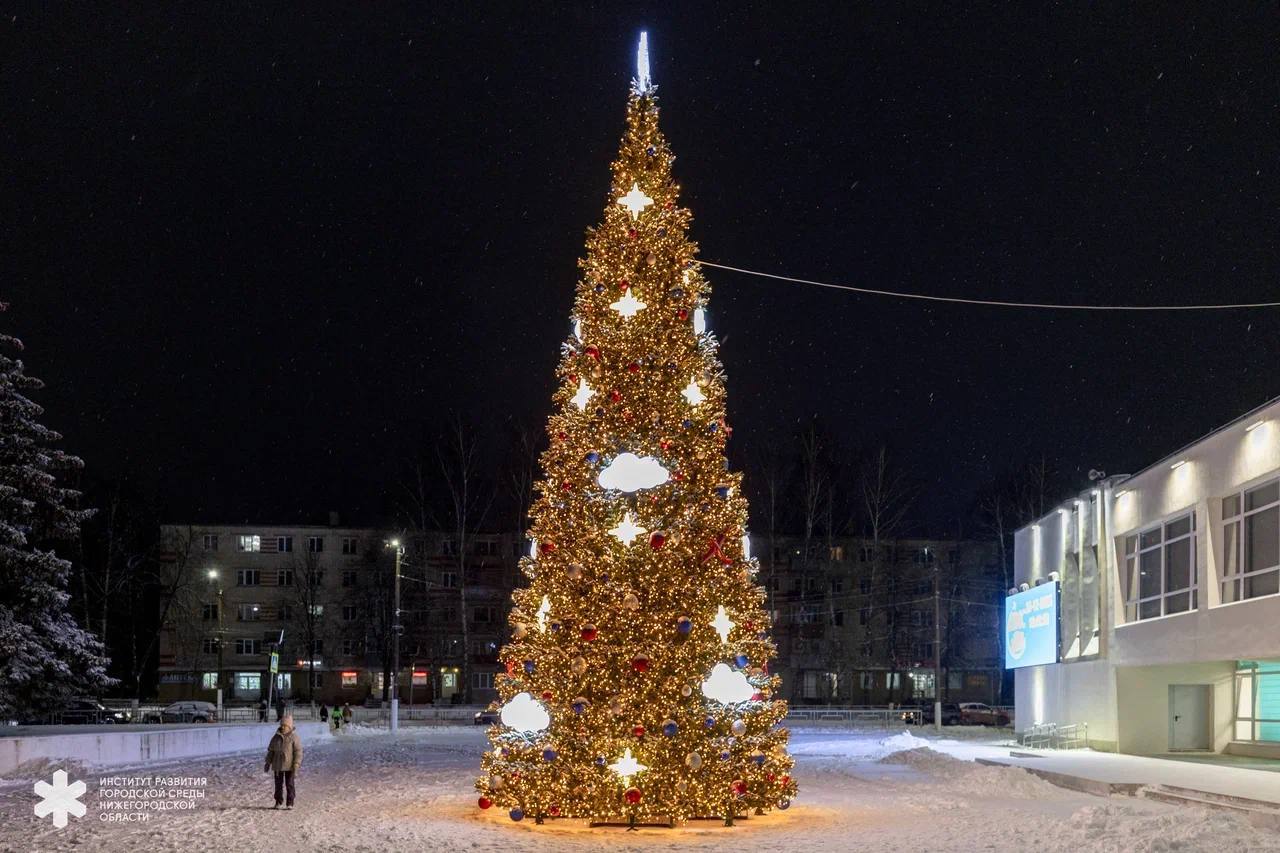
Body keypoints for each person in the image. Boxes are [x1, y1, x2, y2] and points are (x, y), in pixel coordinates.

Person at [263, 714, 303, 810]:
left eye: (285, 725)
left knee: (289, 784)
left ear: (289, 726)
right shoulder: (276, 737)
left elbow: (298, 752)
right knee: (278, 785)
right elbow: (271, 751)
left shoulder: (294, 737)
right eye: (282, 725)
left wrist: (296, 764)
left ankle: (290, 802)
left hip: (290, 766)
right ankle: (278, 801)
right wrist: (268, 762)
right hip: (278, 765)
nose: (283, 727)